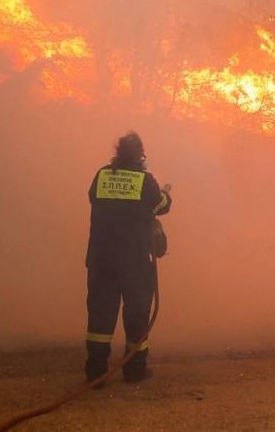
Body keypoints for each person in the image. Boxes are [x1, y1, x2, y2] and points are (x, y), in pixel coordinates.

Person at [84, 132, 172, 385]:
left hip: (101, 260)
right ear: (139, 154)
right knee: (137, 315)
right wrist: (165, 193)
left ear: (118, 152)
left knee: (100, 318)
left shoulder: (101, 176)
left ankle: (95, 373)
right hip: (134, 262)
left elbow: (94, 199)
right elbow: (161, 205)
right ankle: (134, 371)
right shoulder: (145, 180)